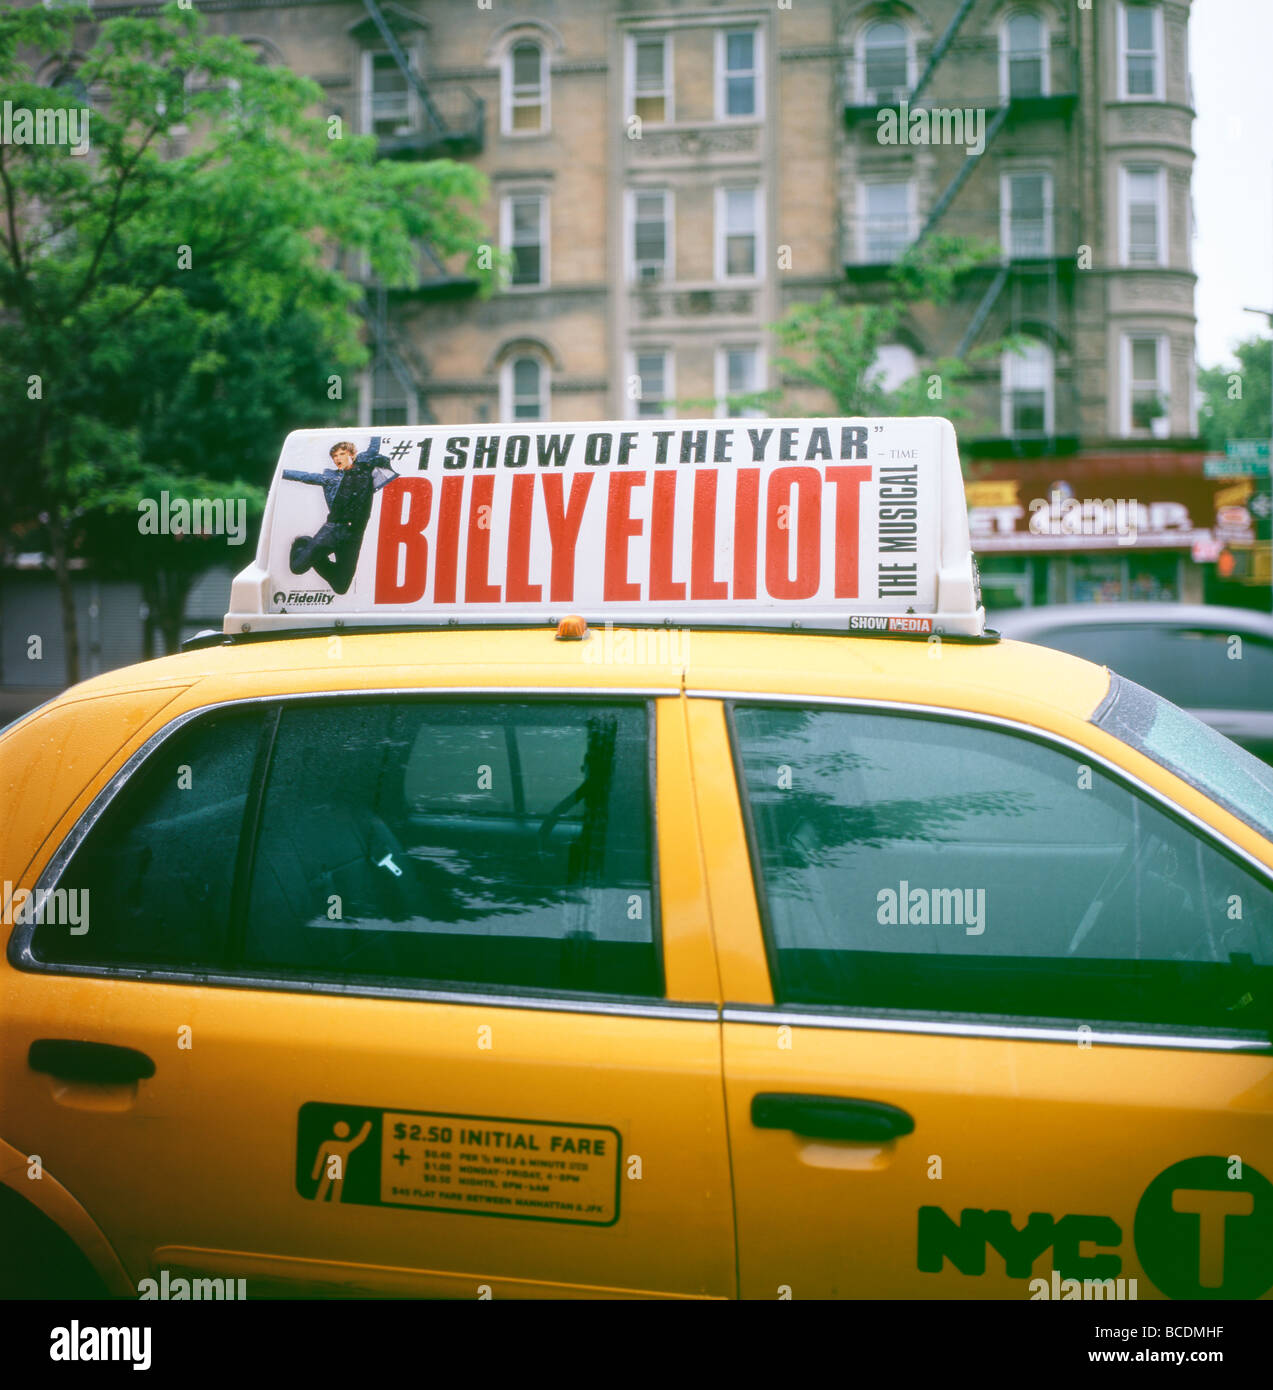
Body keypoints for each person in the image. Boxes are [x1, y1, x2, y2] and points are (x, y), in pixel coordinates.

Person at [283, 438, 398, 595]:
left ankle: (314, 551)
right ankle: (304, 542)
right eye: (335, 456)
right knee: (297, 568)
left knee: (341, 587)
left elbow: (375, 443)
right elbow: (305, 476)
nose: (338, 459)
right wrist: (279, 474)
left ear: (352, 454)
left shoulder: (365, 467)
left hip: (355, 534)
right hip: (333, 530)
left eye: (342, 454)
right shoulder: (331, 478)